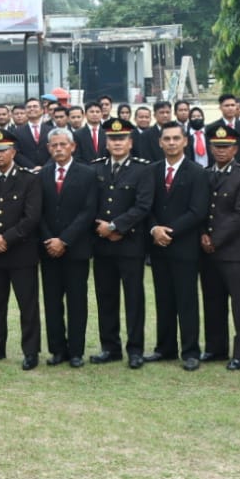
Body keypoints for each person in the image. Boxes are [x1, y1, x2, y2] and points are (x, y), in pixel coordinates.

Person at [0, 128, 42, 369]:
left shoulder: (29, 179)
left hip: (21, 251)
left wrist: (7, 238)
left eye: (3, 150)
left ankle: (31, 351)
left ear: (13, 152)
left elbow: (32, 217)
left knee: (28, 305)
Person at [89, 118, 153, 369]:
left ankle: (135, 349)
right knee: (106, 297)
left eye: (122, 139)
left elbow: (144, 205)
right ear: (106, 143)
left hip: (130, 243)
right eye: (113, 139)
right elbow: (89, 204)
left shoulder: (143, 169)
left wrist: (116, 227)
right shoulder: (96, 168)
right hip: (102, 243)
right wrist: (102, 229)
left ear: (130, 142)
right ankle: (110, 347)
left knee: (134, 298)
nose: (117, 143)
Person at [146, 123, 209, 370]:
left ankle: (191, 351)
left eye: (176, 138)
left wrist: (168, 231)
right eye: (167, 139)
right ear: (160, 142)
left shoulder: (197, 172)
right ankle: (165, 348)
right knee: (163, 299)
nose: (171, 143)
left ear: (185, 142)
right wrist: (154, 229)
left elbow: (198, 211)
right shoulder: (151, 171)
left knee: (187, 299)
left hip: (184, 246)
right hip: (158, 246)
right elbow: (145, 206)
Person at [198, 125, 240, 370]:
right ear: (210, 148)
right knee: (212, 300)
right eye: (217, 146)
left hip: (234, 250)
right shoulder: (204, 173)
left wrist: (215, 239)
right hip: (207, 249)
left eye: (226, 146)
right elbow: (200, 208)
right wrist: (203, 234)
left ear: (235, 148)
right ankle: (215, 347)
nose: (221, 151)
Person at [38, 127, 97, 368]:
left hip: (76, 249)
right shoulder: (42, 174)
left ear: (73, 146)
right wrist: (50, 239)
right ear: (48, 148)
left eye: (63, 144)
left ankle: (76, 351)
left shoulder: (87, 174)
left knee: (76, 301)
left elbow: (88, 211)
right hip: (48, 248)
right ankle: (57, 350)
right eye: (54, 145)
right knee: (52, 302)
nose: (59, 149)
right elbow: (37, 212)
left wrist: (64, 240)